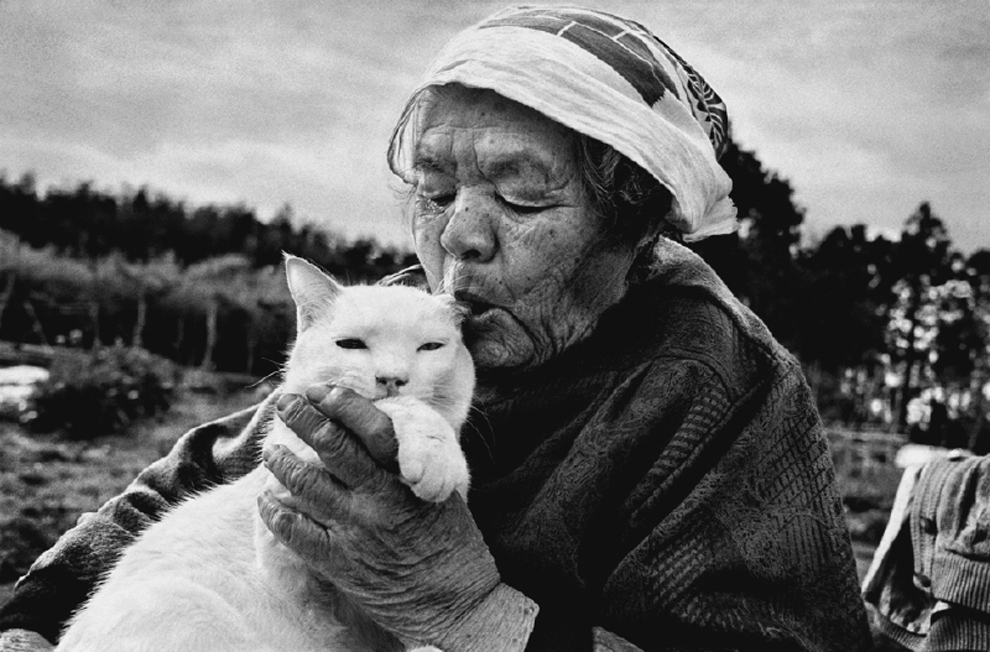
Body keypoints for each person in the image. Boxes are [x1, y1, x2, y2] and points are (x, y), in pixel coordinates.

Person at [0, 6, 872, 651]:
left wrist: (468, 610)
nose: (456, 235)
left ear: (634, 224)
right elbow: (205, 473)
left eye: (520, 194)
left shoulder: (715, 384)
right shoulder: (411, 316)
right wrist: (33, 618)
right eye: (434, 188)